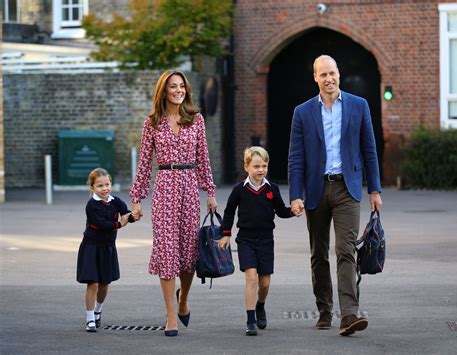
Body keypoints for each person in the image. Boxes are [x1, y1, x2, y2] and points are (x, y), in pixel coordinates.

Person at [288, 55, 383, 336]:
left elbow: (369, 149)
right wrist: (295, 195)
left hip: (347, 188)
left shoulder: (358, 105)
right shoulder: (302, 112)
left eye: (332, 73)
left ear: (339, 74)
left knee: (346, 250)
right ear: (315, 78)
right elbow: (296, 158)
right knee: (319, 254)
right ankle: (325, 310)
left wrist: (374, 189)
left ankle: (349, 315)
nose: (329, 79)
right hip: (316, 189)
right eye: (323, 75)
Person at [129, 70, 217, 337]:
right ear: (163, 92)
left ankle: (183, 300)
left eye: (181, 86)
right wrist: (136, 199)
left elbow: (203, 158)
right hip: (165, 186)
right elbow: (144, 163)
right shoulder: (152, 123)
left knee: (189, 255)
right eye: (172, 87)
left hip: (189, 186)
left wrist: (210, 191)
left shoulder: (196, 120)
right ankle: (170, 315)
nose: (178, 90)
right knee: (167, 252)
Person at [219, 146, 294, 336]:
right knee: (251, 277)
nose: (261, 170)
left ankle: (260, 305)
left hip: (266, 240)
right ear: (246, 167)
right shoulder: (239, 190)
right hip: (246, 239)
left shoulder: (272, 189)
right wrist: (226, 233)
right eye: (256, 166)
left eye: (264, 166)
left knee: (265, 283)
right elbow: (228, 212)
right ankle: (250, 319)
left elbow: (281, 211)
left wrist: (293, 211)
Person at [76, 168, 134, 333]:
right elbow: (101, 225)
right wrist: (120, 224)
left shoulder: (115, 201)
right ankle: (89, 319)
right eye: (100, 185)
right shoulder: (91, 205)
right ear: (92, 188)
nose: (105, 188)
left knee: (104, 284)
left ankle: (97, 311)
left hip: (108, 247)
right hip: (91, 247)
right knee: (92, 282)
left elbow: (126, 212)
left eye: (107, 184)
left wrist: (133, 216)